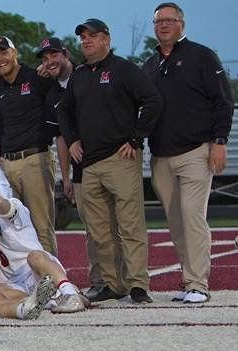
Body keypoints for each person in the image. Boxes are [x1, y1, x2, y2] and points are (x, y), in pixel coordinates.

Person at [58, 18, 163, 304]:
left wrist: (136, 138)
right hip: (88, 164)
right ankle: (112, 284)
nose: (86, 41)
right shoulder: (79, 75)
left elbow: (152, 101)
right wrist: (73, 140)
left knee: (130, 225)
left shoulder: (125, 69)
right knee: (99, 231)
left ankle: (138, 284)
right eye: (82, 38)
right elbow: (64, 112)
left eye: (92, 36)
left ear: (106, 39)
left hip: (120, 158)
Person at [142, 2, 234, 304]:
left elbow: (223, 100)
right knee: (176, 222)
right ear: (154, 27)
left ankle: (199, 285)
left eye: (170, 20)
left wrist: (219, 141)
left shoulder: (202, 56)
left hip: (196, 151)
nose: (164, 25)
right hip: (161, 156)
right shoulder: (150, 64)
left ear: (182, 24)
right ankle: (189, 279)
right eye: (159, 21)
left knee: (192, 216)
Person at [36, 37, 113, 298]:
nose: (50, 62)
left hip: (109, 157)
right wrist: (66, 177)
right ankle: (102, 281)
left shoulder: (86, 76)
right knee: (93, 228)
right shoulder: (52, 93)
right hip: (82, 167)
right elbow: (60, 138)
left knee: (121, 224)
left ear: (66, 54)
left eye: (54, 56)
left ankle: (128, 280)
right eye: (45, 59)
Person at [0, 171, 88, 313]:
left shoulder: (11, 204)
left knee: (35, 256)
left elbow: (8, 210)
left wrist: (0, 202)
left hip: (35, 270)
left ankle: (70, 294)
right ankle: (49, 301)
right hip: (14, 282)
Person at [0, 36, 60, 256]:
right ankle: (29, 282)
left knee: (41, 226)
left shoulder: (36, 77)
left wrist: (50, 68)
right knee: (15, 227)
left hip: (34, 159)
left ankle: (54, 283)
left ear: (14, 52)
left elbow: (64, 83)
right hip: (7, 163)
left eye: (4, 52)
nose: (0, 59)